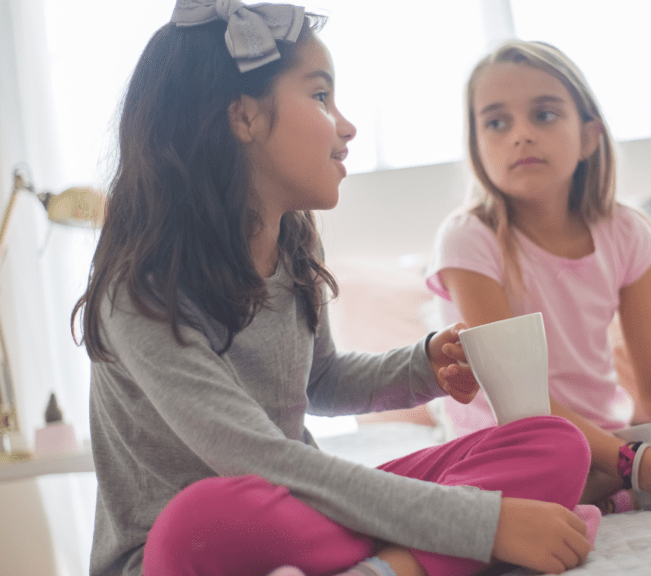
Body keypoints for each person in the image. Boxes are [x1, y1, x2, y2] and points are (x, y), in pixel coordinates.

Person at [71, 3, 601, 575]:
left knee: (554, 442)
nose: (346, 126)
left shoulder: (293, 245)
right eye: (321, 96)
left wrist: (423, 365)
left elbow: (319, 381)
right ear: (244, 117)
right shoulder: (141, 289)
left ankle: (388, 566)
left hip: (302, 510)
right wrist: (487, 524)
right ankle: (422, 557)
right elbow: (258, 458)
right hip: (200, 538)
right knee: (202, 516)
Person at [425, 40, 651, 513]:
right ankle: (632, 485)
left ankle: (635, 483)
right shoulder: (467, 240)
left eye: (544, 115)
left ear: (590, 136)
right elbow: (524, 405)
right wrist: (641, 463)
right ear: (476, 146)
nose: (520, 135)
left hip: (607, 440)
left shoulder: (627, 233)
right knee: (550, 465)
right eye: (496, 122)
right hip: (515, 444)